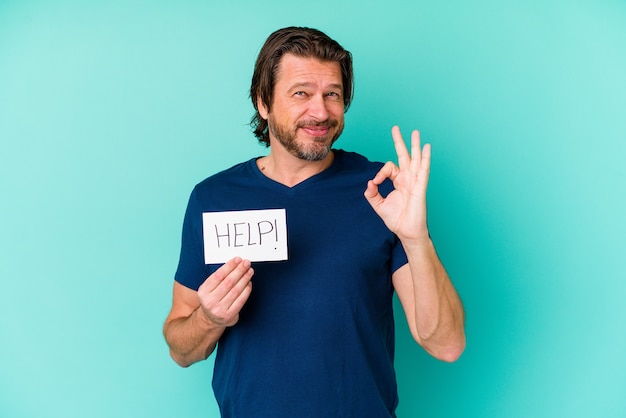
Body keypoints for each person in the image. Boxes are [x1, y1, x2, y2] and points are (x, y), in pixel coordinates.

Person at [163, 26, 465, 418]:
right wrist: (209, 318)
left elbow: (445, 343)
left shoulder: (382, 191)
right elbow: (182, 349)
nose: (320, 112)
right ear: (264, 102)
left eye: (333, 95)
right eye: (301, 93)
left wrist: (415, 237)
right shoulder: (213, 199)